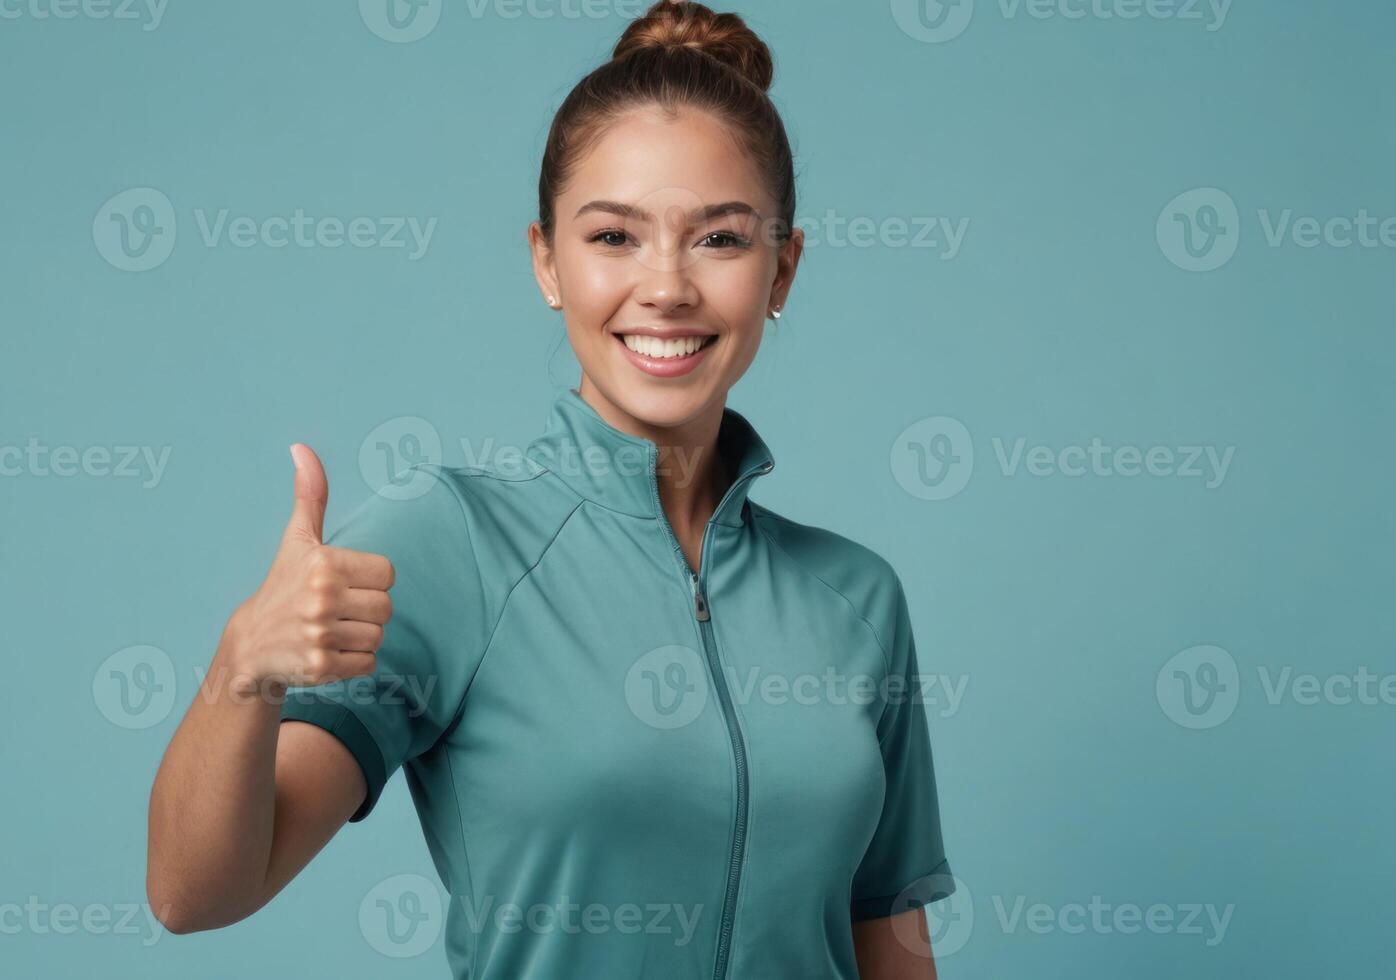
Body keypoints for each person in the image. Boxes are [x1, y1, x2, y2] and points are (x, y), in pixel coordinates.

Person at [146, 2, 953, 977]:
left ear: (780, 270)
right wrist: (245, 666)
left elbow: (890, 937)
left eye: (720, 240)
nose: (665, 287)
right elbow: (194, 891)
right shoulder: (449, 543)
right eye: (613, 236)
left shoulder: (855, 597)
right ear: (547, 262)